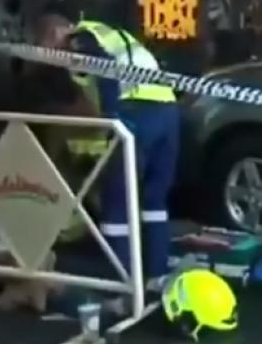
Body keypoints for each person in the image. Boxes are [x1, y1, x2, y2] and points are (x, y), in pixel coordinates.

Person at [35, 15, 179, 288]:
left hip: (135, 112)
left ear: (55, 34)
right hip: (167, 111)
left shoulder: (80, 39)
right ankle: (157, 276)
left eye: (46, 50)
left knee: (115, 202)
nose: (53, 59)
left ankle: (123, 284)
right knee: (154, 200)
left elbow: (105, 69)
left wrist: (113, 119)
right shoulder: (109, 33)